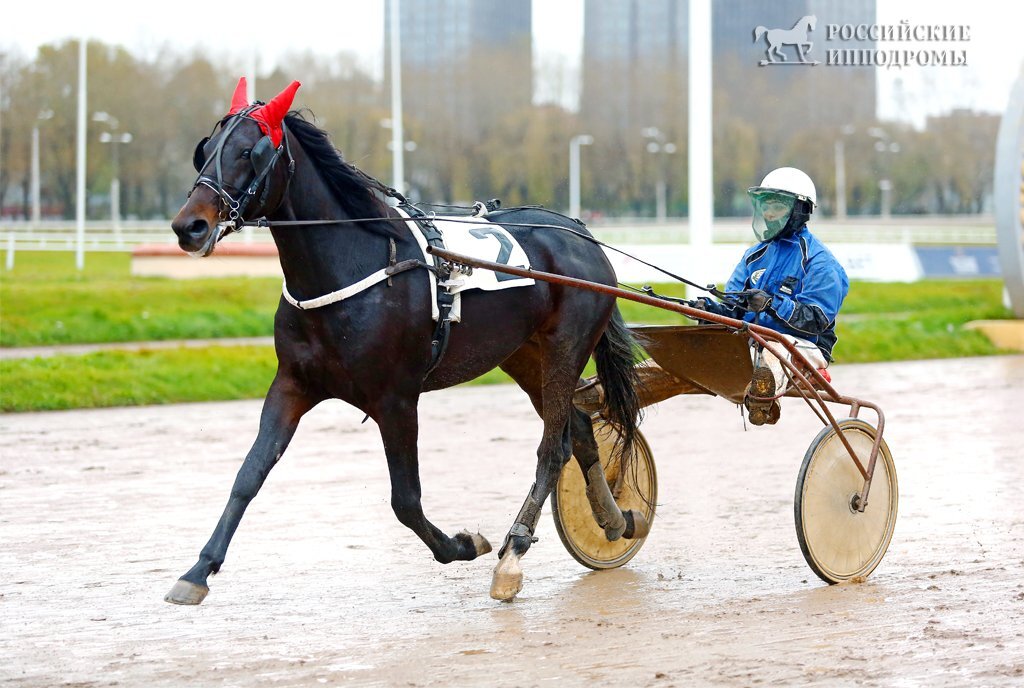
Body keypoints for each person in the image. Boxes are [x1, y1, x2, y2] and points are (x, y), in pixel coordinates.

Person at [693, 167, 849, 425]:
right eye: (765, 205)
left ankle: (763, 402)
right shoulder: (754, 256)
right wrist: (709, 310)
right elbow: (733, 308)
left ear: (800, 209)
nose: (768, 213)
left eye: (777, 205)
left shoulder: (821, 262)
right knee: (690, 342)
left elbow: (815, 322)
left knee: (774, 348)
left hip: (804, 346)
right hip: (754, 339)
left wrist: (771, 304)